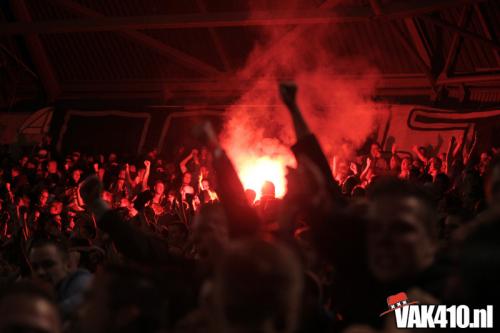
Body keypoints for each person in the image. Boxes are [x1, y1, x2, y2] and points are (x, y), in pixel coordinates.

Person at [28, 238, 92, 319]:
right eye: (35, 267)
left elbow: (83, 298)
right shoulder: (38, 294)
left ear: (67, 264)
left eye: (48, 264)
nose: (40, 272)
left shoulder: (80, 279)